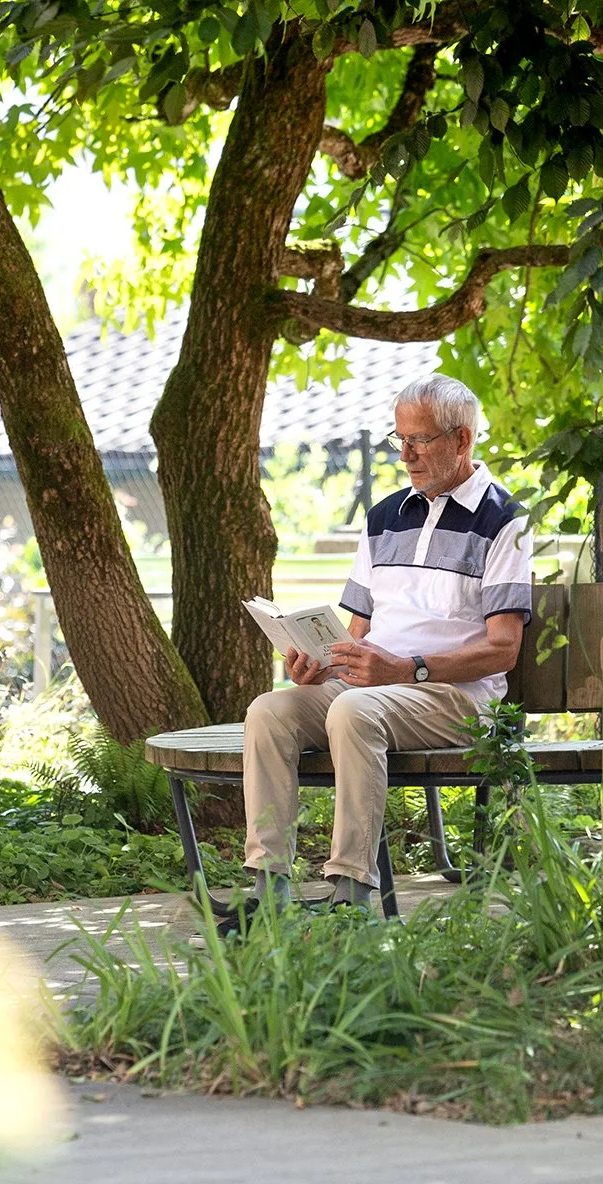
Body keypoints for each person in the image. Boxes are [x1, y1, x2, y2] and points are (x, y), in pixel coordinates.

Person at [226, 373, 533, 928]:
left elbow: (503, 649)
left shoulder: (504, 521)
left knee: (354, 709)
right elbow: (359, 632)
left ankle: (350, 892)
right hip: (375, 689)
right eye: (400, 440)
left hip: (454, 698)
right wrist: (320, 663)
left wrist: (408, 668)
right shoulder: (384, 517)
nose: (407, 455)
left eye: (419, 440)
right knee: (269, 711)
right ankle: (267, 888)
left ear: (462, 440)